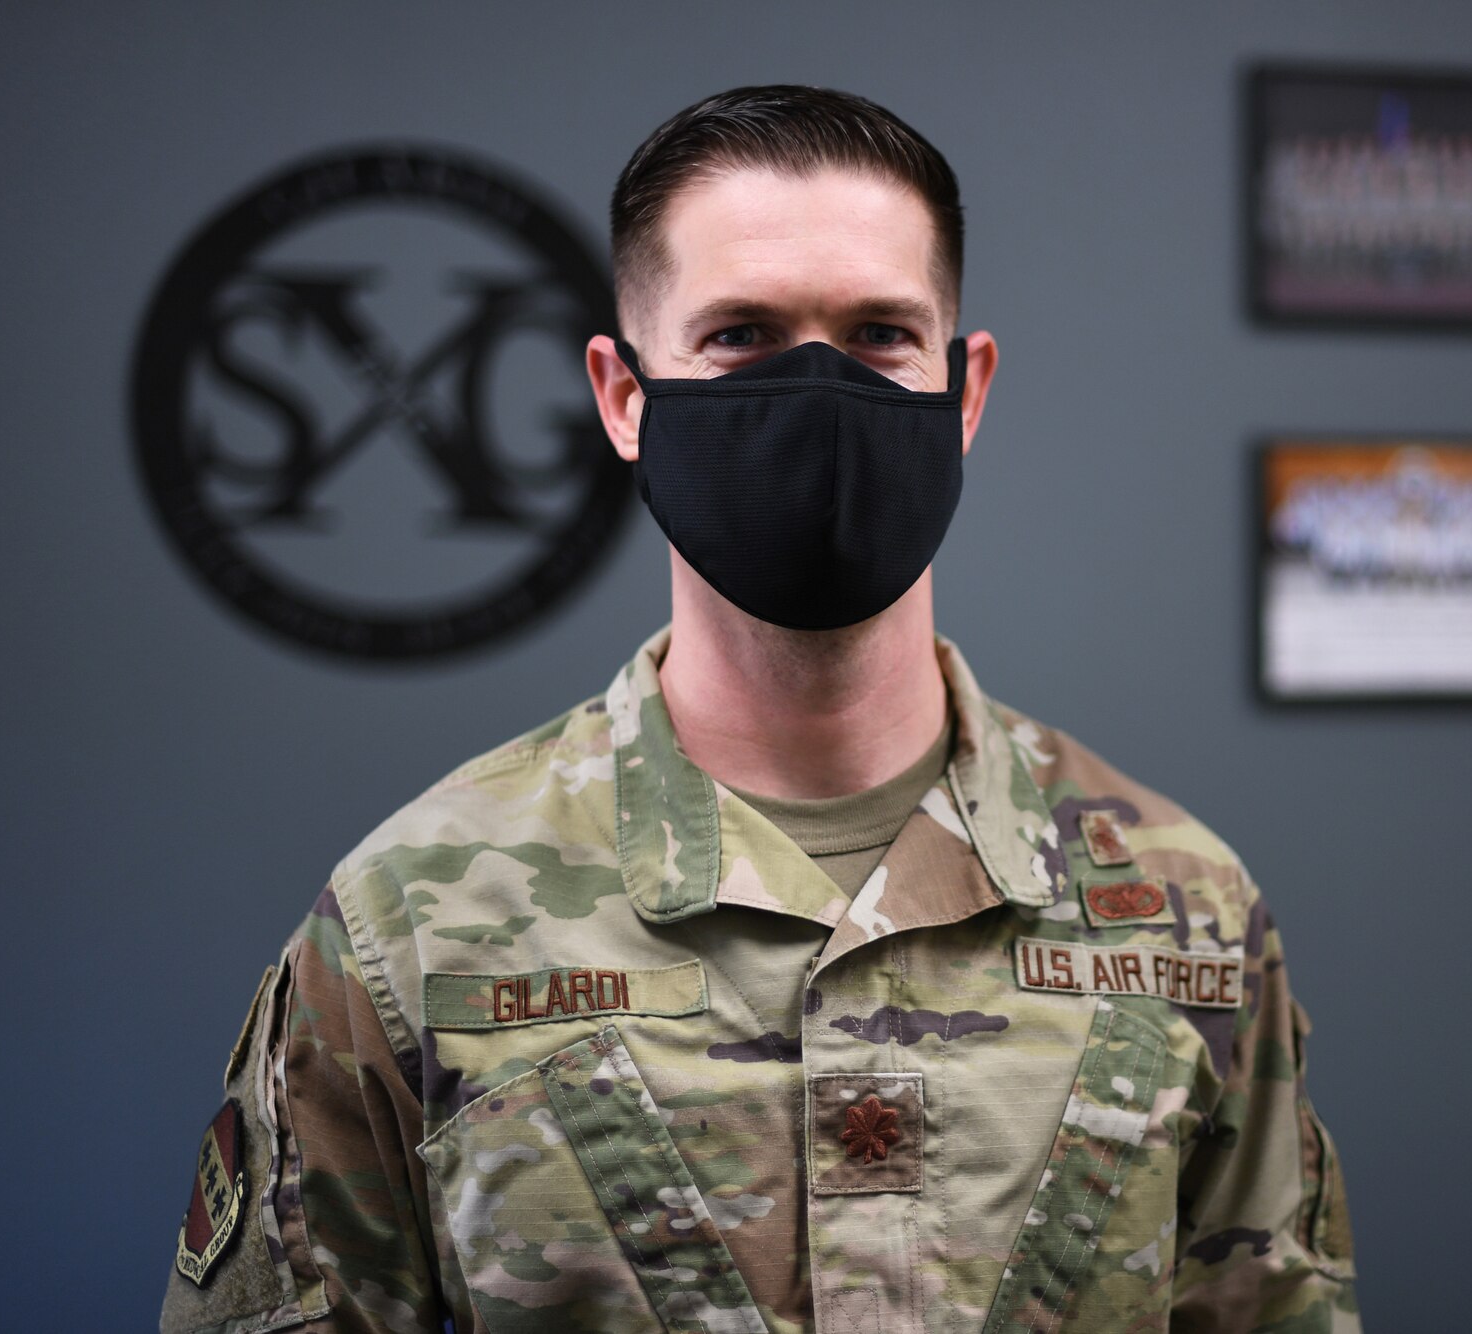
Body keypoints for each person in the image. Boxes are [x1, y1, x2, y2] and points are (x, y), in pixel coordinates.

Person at [159, 84, 1359, 1334]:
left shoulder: (1185, 909)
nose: (817, 396)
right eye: (738, 334)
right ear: (622, 396)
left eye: (881, 335)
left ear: (964, 388)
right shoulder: (414, 924)